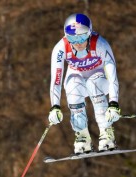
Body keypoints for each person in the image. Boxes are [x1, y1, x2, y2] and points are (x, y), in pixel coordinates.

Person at [48, 13, 121, 154]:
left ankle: (106, 133)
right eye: (72, 38)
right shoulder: (60, 48)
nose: (78, 43)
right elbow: (56, 80)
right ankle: (82, 137)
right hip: (78, 79)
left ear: (89, 33)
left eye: (81, 37)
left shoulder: (100, 44)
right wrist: (55, 106)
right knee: (72, 85)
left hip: (99, 80)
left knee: (94, 83)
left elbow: (112, 77)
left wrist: (114, 103)